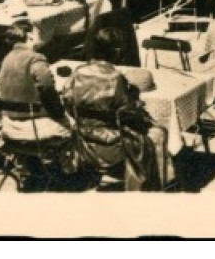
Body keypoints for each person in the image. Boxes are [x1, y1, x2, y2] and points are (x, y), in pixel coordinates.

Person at [64, 26, 169, 191]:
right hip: (112, 142)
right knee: (159, 132)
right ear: (116, 51)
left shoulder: (77, 73)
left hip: (83, 138)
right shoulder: (116, 78)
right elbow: (129, 113)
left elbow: (68, 102)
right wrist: (137, 100)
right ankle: (153, 189)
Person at [0, 19, 70, 142]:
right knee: (74, 124)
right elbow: (48, 90)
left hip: (9, 125)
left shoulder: (6, 58)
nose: (40, 34)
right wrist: (61, 114)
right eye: (37, 32)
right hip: (34, 127)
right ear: (30, 36)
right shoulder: (35, 58)